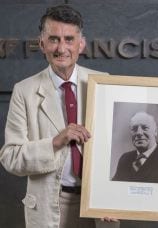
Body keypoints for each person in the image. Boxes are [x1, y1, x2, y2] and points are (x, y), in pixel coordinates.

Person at [0, 4, 115, 228]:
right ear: (42, 44)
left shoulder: (104, 83)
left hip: (98, 205)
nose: (61, 48)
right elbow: (10, 158)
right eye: (54, 39)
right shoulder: (24, 91)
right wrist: (55, 142)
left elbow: (118, 146)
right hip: (47, 206)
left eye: (69, 39)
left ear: (81, 44)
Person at [112, 111, 158, 184]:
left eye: (145, 128)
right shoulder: (125, 159)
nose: (139, 133)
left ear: (155, 131)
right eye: (134, 129)